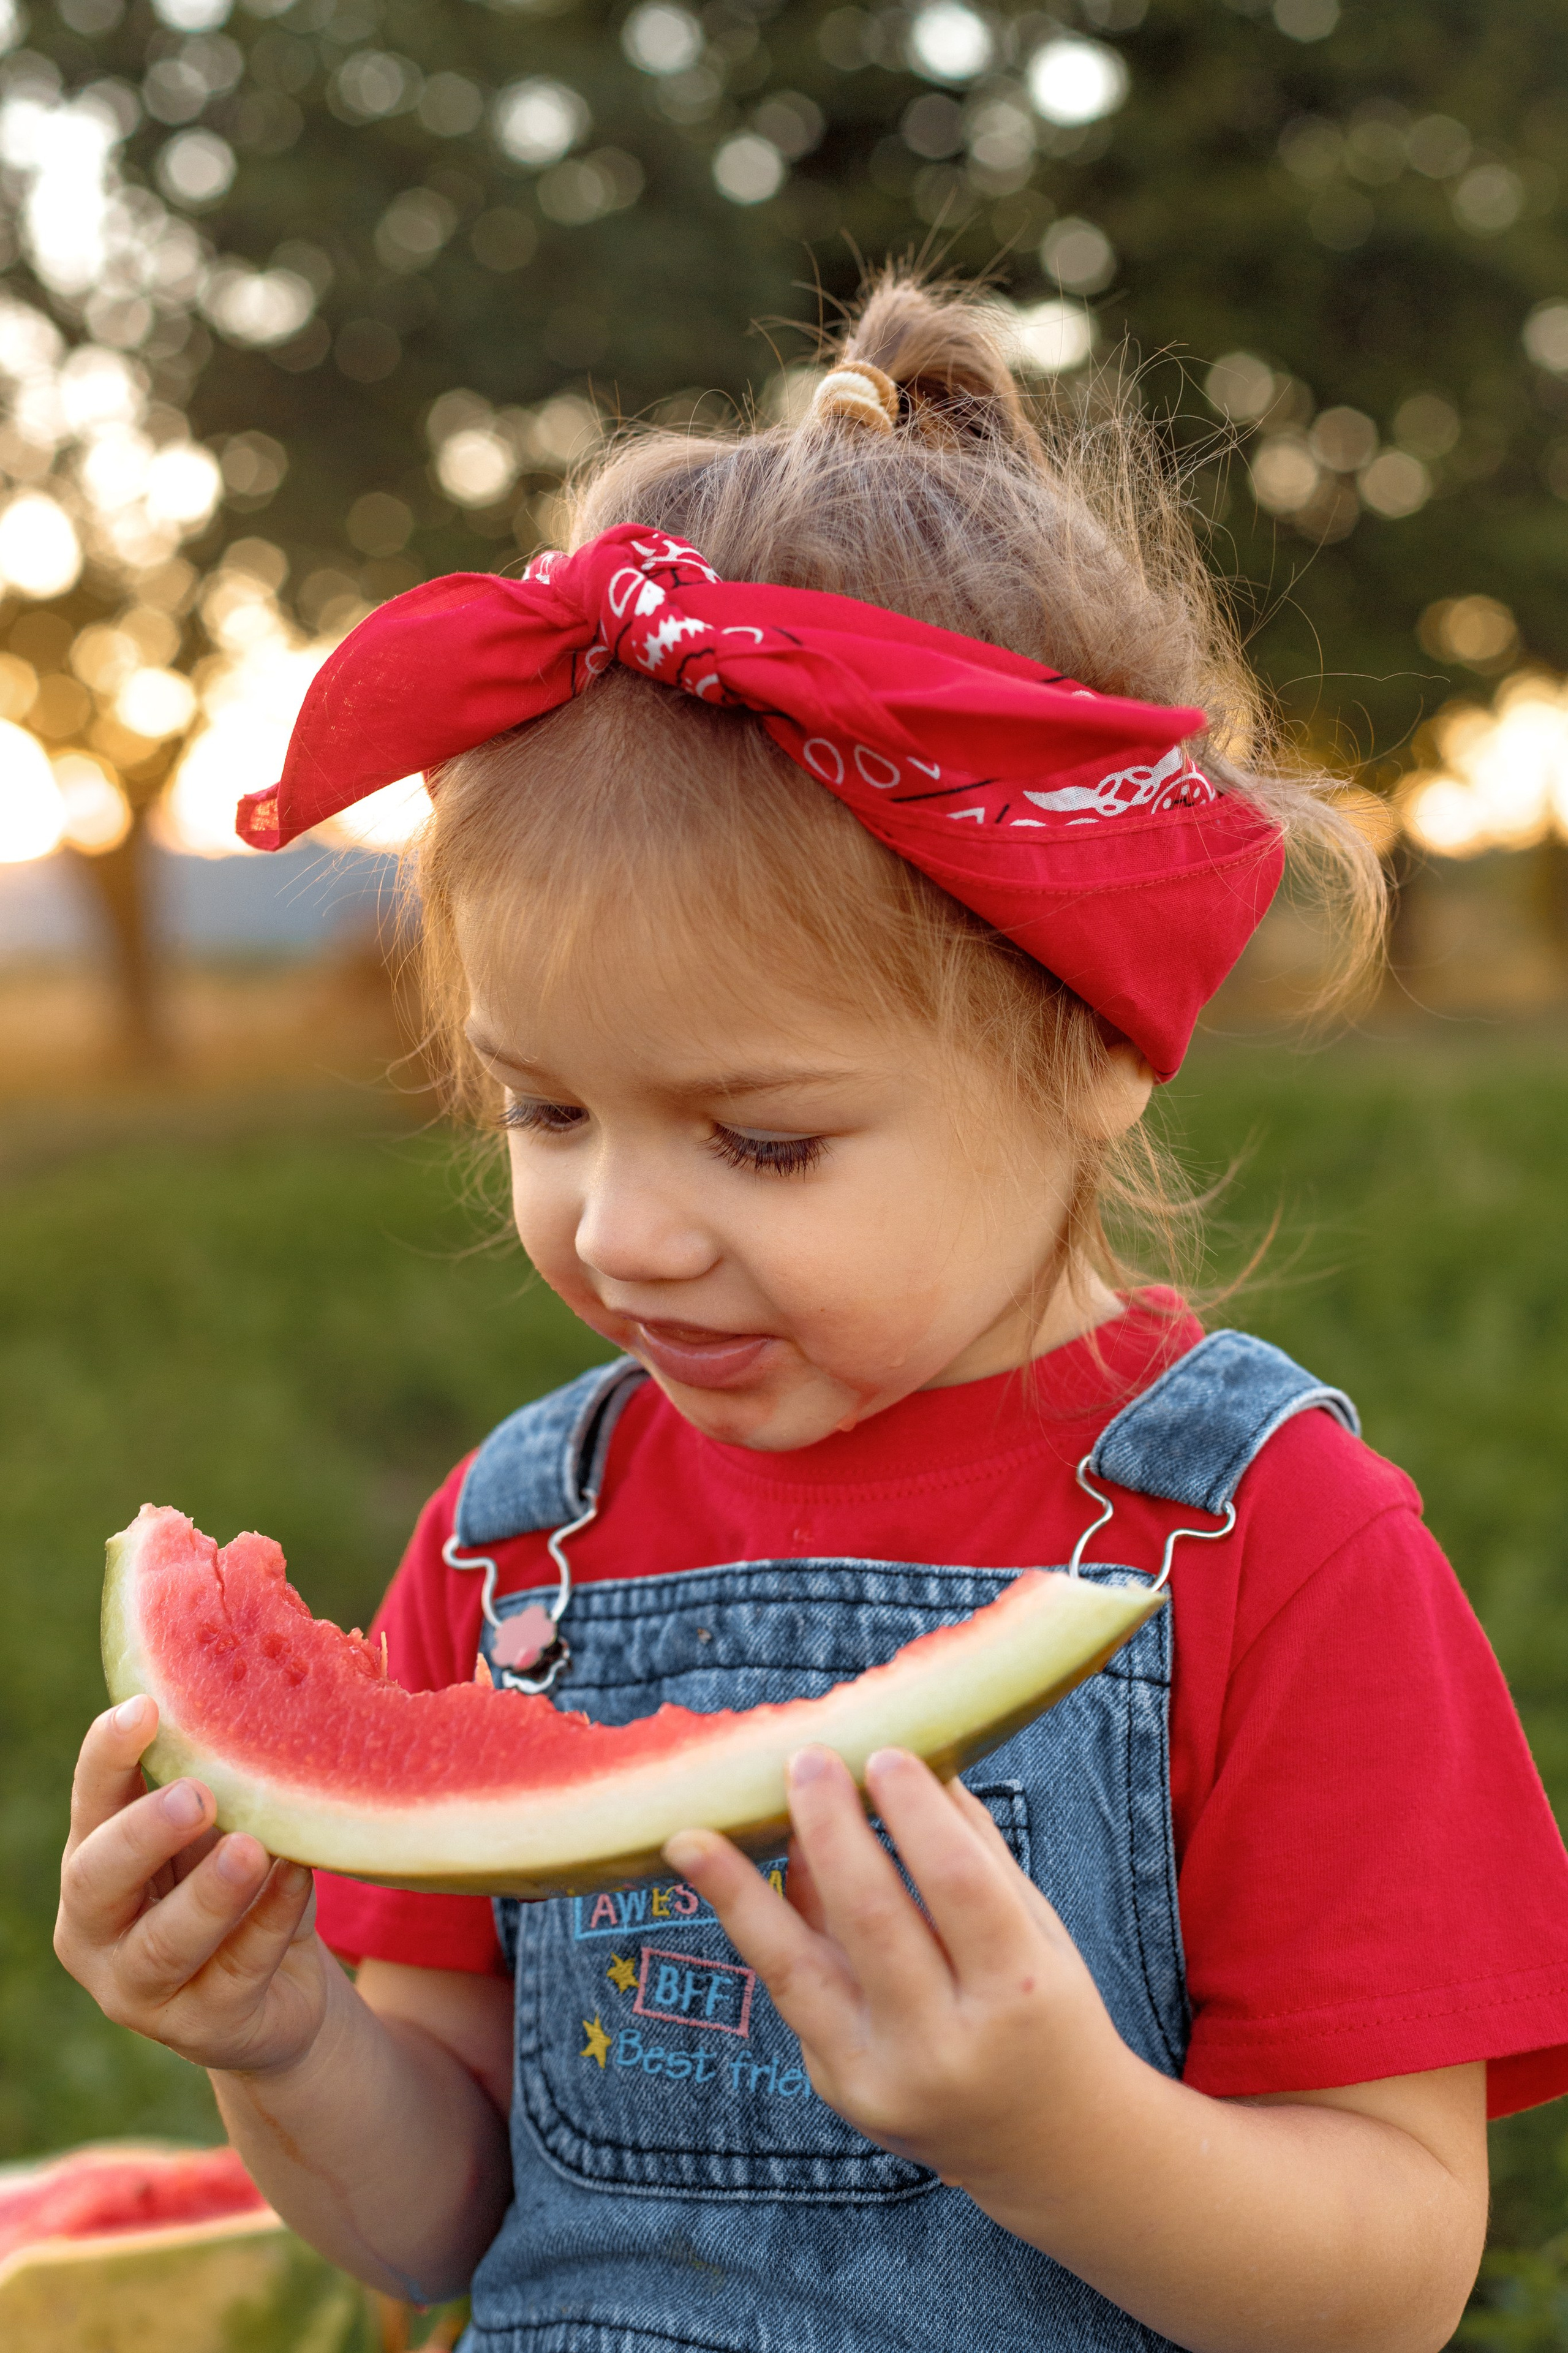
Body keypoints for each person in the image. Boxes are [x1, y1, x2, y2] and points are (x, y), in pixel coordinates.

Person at [55, 277, 1568, 2353]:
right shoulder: (518, 1549)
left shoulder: (1266, 1545)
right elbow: (432, 2222)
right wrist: (282, 2033)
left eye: (761, 1143)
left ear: (1097, 1047)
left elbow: (1392, 2273)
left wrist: (1058, 2129)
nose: (628, 1230)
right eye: (549, 1108)